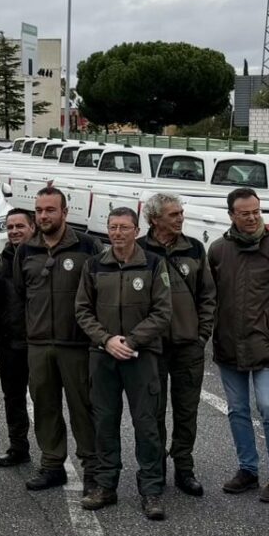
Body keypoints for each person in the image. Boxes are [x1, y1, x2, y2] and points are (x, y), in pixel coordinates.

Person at [75, 206, 173, 517]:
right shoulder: (93, 266)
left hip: (141, 356)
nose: (118, 233)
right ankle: (105, 485)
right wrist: (106, 340)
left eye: (124, 228)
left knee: (146, 424)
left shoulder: (154, 264)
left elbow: (163, 312)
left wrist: (130, 341)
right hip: (102, 356)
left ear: (137, 231)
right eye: (113, 227)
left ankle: (152, 490)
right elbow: (82, 310)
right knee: (104, 423)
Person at [208, 188, 269, 503]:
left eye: (256, 212)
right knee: (237, 410)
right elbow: (210, 297)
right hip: (228, 344)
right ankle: (247, 469)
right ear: (232, 215)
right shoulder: (219, 250)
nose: (251, 218)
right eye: (244, 213)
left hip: (264, 344)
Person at [6, 187, 97, 492]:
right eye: (40, 211)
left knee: (83, 408)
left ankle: (92, 467)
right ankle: (52, 464)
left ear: (65, 213)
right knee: (45, 407)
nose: (44, 216)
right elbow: (19, 296)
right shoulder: (26, 250)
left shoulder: (87, 247)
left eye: (50, 210)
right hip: (40, 345)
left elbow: (98, 293)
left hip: (78, 346)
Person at [140, 193, 214, 496]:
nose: (180, 218)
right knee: (152, 411)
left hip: (188, 346)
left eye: (181, 213)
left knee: (187, 411)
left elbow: (208, 295)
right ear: (155, 219)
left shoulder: (194, 248)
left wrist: (202, 336)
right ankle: (154, 468)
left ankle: (184, 467)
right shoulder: (140, 250)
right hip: (152, 349)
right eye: (173, 215)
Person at [0, 207, 36, 466]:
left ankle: (53, 455)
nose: (14, 231)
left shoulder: (42, 256)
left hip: (39, 343)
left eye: (20, 226)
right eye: (10, 227)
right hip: (9, 343)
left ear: (32, 227)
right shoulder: (1, 260)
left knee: (45, 402)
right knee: (14, 399)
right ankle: (18, 447)